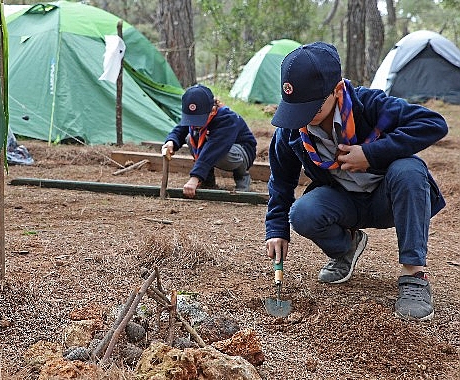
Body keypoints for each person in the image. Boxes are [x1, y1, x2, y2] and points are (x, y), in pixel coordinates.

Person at [265, 42, 447, 321]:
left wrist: (370, 154)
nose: (301, 118)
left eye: (310, 108)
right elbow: (280, 182)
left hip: (388, 199)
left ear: (336, 91)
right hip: (344, 203)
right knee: (303, 213)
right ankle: (346, 247)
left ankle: (413, 275)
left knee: (409, 169)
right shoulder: (291, 133)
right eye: (295, 108)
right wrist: (276, 229)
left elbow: (433, 124)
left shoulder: (370, 105)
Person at [162, 84, 257, 198]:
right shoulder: (195, 120)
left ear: (212, 109)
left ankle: (242, 176)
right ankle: (208, 180)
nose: (195, 123)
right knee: (190, 137)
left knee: (221, 154)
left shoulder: (227, 118)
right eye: (192, 119)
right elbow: (181, 128)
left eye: (199, 119)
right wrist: (171, 141)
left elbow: (214, 149)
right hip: (216, 148)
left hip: (241, 152)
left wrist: (195, 178)